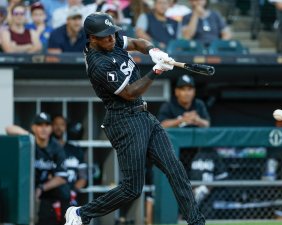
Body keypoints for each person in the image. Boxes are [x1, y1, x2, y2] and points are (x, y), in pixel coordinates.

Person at [64, 12, 205, 225]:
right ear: (92, 38)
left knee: (176, 170)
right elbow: (130, 92)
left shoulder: (112, 42)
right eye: (105, 36)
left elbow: (138, 43)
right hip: (123, 121)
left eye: (113, 33)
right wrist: (156, 71)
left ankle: (197, 222)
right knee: (132, 189)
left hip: (143, 115)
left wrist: (154, 51)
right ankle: (81, 213)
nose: (112, 39)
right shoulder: (97, 63)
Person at [5, 112, 70, 225]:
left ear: (51, 128)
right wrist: (28, 135)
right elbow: (9, 129)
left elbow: (62, 177)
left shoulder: (56, 147)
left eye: (47, 125)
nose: (43, 129)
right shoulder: (30, 140)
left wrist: (41, 187)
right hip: (29, 189)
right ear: (34, 127)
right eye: (40, 125)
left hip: (50, 192)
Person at [52, 115, 88, 206]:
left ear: (66, 127)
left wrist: (72, 192)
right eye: (55, 124)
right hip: (50, 199)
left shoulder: (75, 150)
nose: (58, 127)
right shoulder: (46, 150)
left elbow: (83, 177)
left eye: (62, 124)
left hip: (70, 199)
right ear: (51, 126)